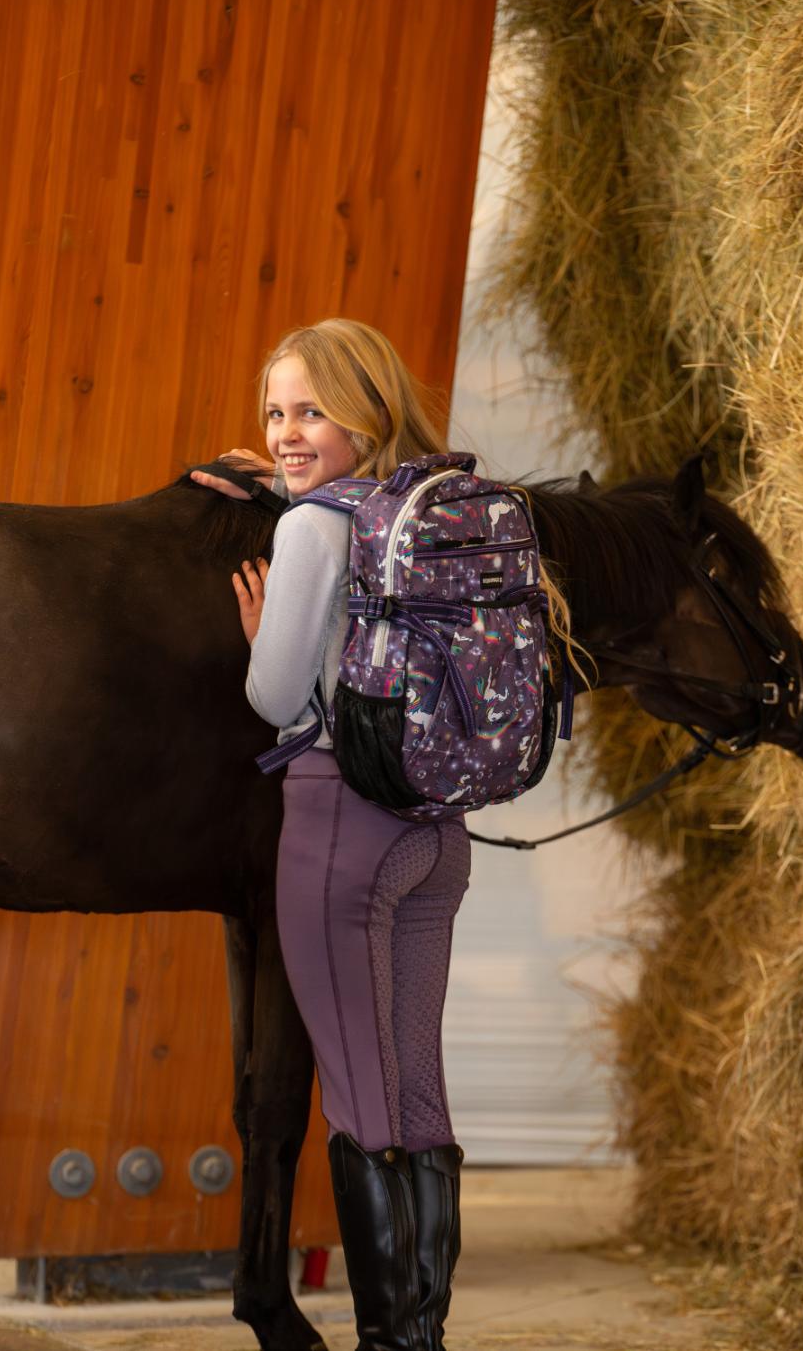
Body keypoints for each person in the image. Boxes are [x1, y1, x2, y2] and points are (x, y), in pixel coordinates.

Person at [192, 318, 471, 1351]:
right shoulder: (444, 503)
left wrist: (265, 639)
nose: (286, 432)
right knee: (417, 1088)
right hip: (436, 837)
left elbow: (275, 698)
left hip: (340, 827)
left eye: (312, 409)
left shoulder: (313, 528)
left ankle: (391, 1341)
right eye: (275, 411)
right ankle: (424, 1333)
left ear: (370, 409)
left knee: (361, 1099)